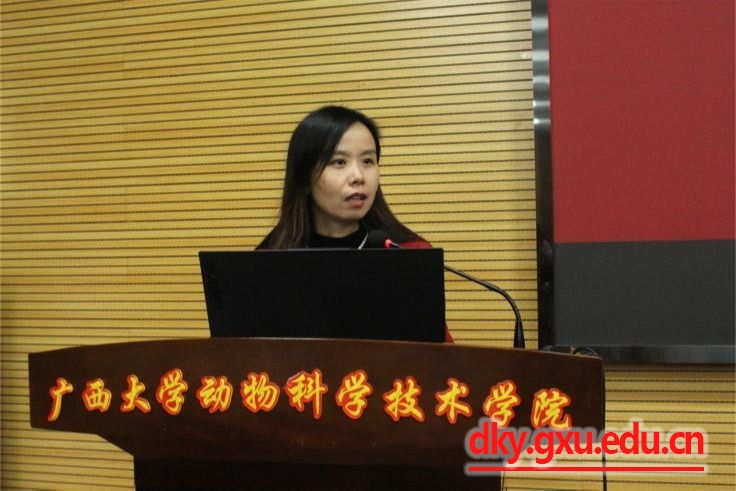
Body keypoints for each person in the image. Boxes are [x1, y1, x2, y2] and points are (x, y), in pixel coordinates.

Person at [257, 105, 453, 342]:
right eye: (339, 162)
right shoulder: (265, 263)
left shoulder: (408, 254)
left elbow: (441, 357)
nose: (358, 177)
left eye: (368, 161)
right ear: (305, 178)